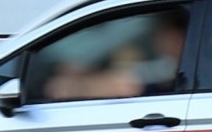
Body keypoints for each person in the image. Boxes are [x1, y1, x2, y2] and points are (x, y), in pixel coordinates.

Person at [42, 7, 188, 101]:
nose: (157, 39)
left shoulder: (173, 68)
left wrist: (79, 87)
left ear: (177, 36)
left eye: (162, 32)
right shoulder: (169, 64)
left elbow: (128, 84)